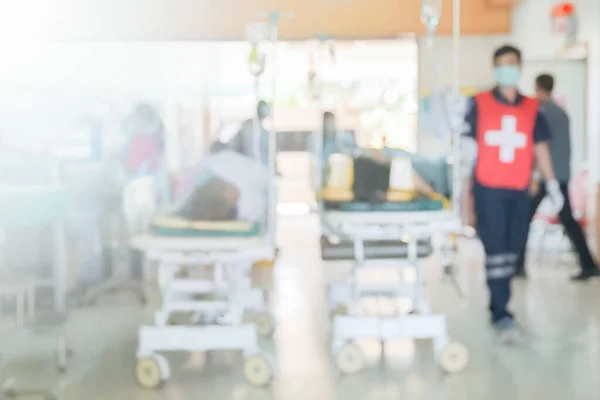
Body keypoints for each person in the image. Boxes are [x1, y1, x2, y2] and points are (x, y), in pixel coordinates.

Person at [463, 45, 564, 343]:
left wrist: (552, 183)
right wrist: (464, 195)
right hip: (488, 188)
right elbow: (468, 147)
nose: (507, 68)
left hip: (520, 190)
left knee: (513, 249)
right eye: (501, 64)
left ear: (520, 67)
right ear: (495, 69)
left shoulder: (534, 108)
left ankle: (500, 304)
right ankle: (500, 311)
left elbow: (540, 147)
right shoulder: (478, 103)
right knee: (495, 250)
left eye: (512, 63)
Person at [515, 74, 599, 280]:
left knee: (525, 216)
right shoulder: (561, 112)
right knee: (566, 219)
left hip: (548, 176)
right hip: (560, 173)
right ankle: (588, 264)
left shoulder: (541, 112)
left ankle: (518, 266)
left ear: (537, 88)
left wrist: (535, 175)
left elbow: (540, 147)